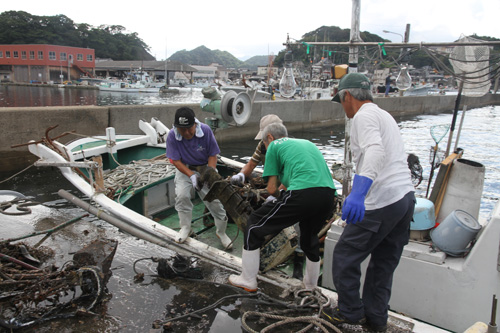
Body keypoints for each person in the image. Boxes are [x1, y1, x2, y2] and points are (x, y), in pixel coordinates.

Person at [324, 73, 416, 332]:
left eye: (340, 101)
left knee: (344, 255)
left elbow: (375, 151)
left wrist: (359, 193)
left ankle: (350, 313)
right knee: (383, 264)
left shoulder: (362, 116)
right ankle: (376, 320)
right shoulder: (384, 115)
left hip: (382, 200)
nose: (342, 107)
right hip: (405, 199)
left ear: (347, 96)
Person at [228, 122, 336, 292]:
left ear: (269, 137)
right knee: (309, 239)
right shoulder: (306, 143)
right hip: (328, 195)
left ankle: (248, 279)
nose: (264, 147)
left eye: (264, 143)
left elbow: (271, 189)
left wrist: (278, 199)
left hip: (303, 193)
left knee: (255, 225)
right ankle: (310, 286)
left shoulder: (274, 146)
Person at [166, 107, 232, 249]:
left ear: (195, 124)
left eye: (190, 128)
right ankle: (185, 228)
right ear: (177, 128)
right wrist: (191, 176)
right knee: (182, 196)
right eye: (182, 130)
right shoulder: (172, 136)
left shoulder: (206, 130)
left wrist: (209, 173)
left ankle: (221, 232)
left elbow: (212, 155)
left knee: (214, 201)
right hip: (185, 168)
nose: (187, 133)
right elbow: (175, 160)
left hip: (205, 167)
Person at [230, 114, 283, 186]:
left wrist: (277, 192)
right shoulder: (262, 145)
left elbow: (290, 177)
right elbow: (251, 164)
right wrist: (241, 175)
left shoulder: (287, 148)